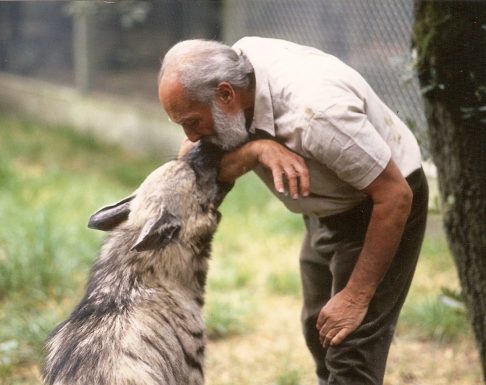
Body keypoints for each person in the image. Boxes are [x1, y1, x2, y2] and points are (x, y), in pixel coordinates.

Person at [158, 37, 428, 385]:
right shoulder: (239, 69)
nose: (191, 137)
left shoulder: (317, 114)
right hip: (328, 203)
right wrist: (258, 150)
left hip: (382, 205)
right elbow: (193, 168)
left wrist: (357, 295)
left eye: (192, 122)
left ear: (226, 95)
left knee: (349, 347)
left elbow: (394, 195)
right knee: (318, 328)